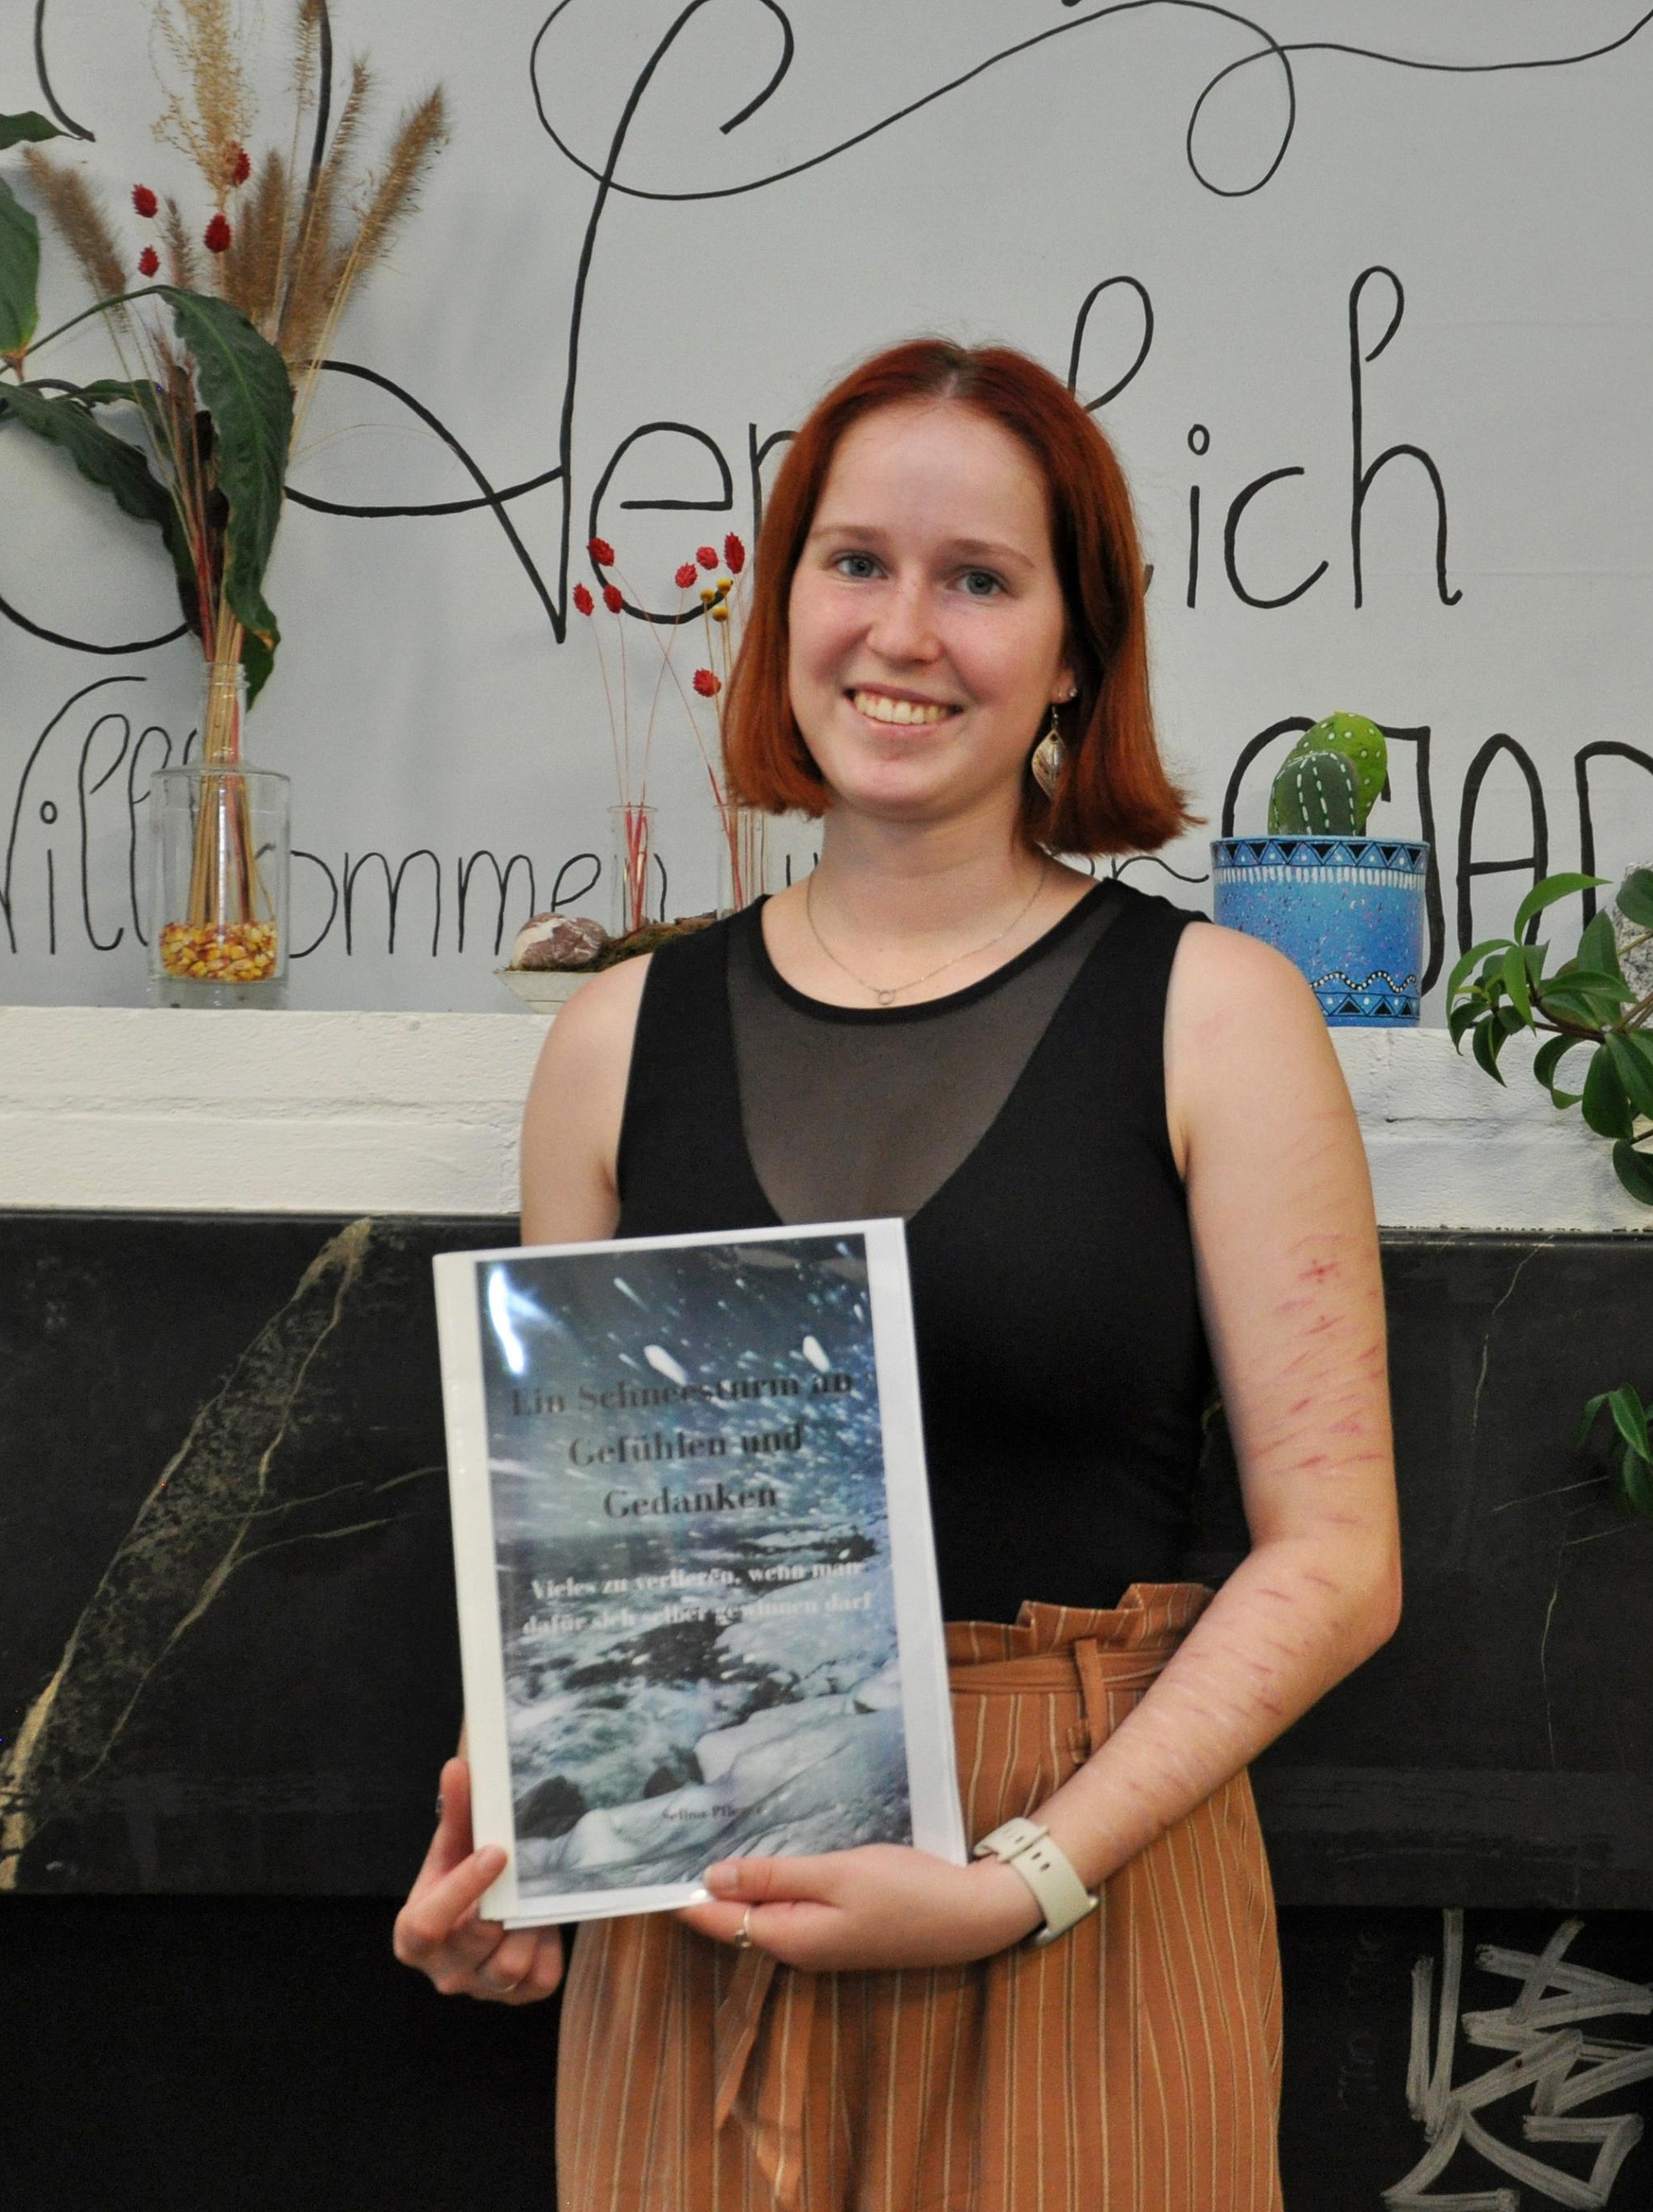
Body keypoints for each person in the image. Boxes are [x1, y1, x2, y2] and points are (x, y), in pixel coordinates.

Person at [393, 337, 1400, 2209]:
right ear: (783, 604)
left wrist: (1016, 1879)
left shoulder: (1215, 1015)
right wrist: (524, 1847)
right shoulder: (611, 1040)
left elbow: (1337, 1558)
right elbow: (587, 1554)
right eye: (853, 561)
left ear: (1075, 651)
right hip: (706, 1907)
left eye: (979, 580)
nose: (901, 631)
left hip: (1084, 1890)